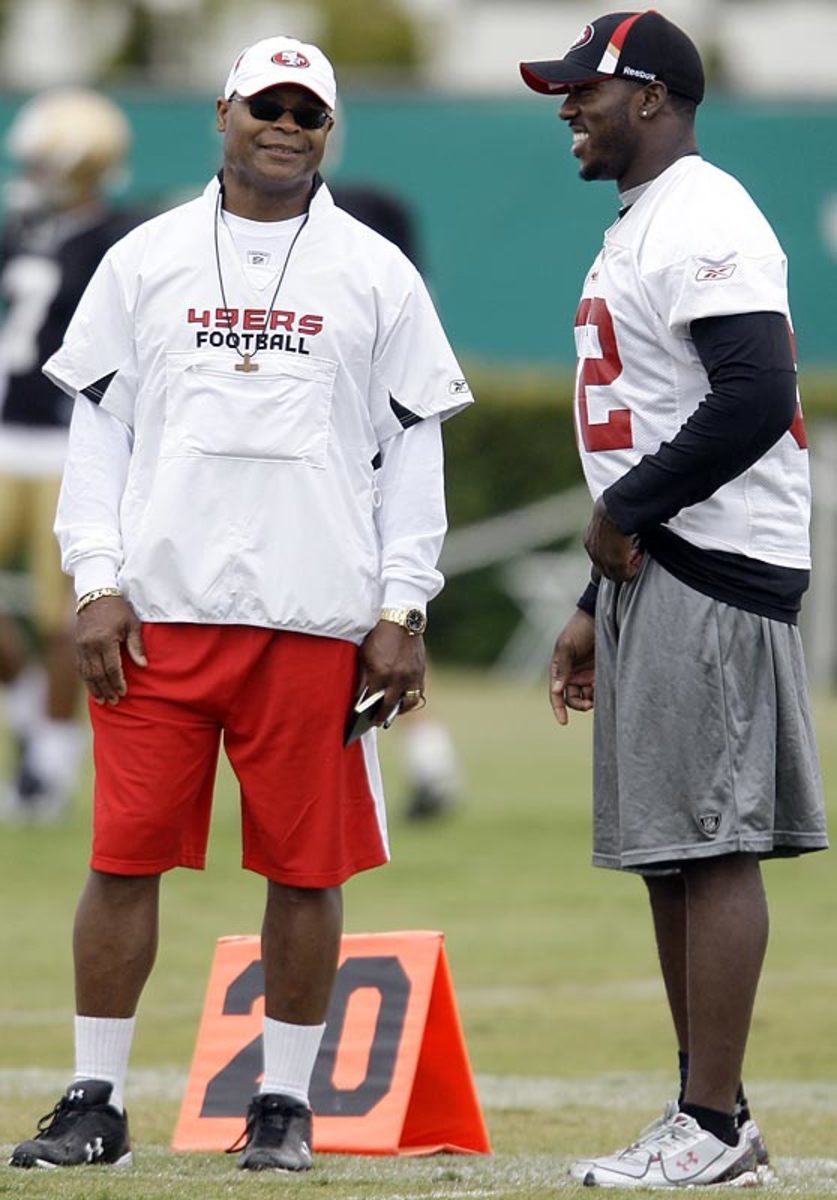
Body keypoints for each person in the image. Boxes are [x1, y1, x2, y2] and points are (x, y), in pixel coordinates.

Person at [10, 35, 471, 1173]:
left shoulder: (375, 270)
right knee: (121, 859)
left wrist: (403, 608)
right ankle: (95, 1101)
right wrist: (97, 581)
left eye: (306, 112)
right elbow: (99, 433)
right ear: (221, 114)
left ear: (329, 132)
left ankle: (281, 1104)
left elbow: (414, 453)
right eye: (263, 104)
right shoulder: (145, 256)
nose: (284, 124)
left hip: (316, 619)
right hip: (159, 615)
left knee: (304, 869)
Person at [520, 10, 827, 1190]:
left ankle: (713, 1122)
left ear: (650, 97)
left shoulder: (703, 211)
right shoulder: (646, 220)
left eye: (583, 90)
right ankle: (710, 1113)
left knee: (710, 841)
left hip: (709, 559)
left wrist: (628, 510)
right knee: (668, 850)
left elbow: (754, 391)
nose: (567, 109)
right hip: (657, 564)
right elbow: (652, 406)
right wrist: (599, 595)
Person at [0, 88, 137, 821]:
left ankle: (48, 770)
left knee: (63, 619)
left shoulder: (118, 238)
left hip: (65, 441)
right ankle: (29, 722)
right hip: (3, 433)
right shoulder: (23, 229)